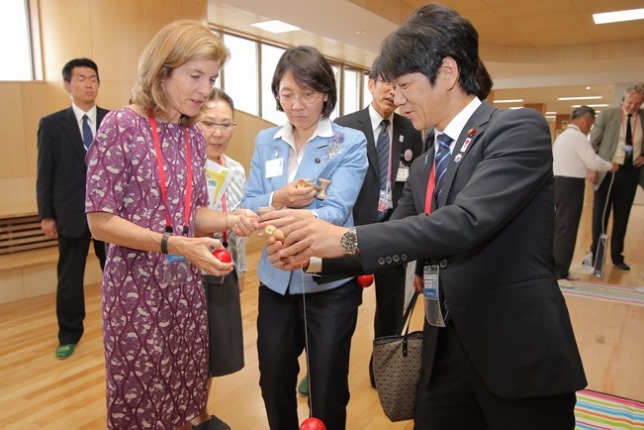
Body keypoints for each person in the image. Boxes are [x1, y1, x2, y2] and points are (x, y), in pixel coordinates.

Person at [265, 4, 587, 430]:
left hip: (514, 347)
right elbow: (394, 236)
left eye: (404, 84)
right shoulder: (425, 164)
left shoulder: (515, 131)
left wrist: (341, 237)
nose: (395, 98)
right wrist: (312, 255)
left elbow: (466, 221)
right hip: (443, 347)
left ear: (448, 74)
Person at [85, 20, 254, 430]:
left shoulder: (192, 136)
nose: (204, 89)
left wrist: (234, 218)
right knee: (142, 396)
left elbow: (190, 214)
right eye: (194, 76)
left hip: (184, 286)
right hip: (135, 291)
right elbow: (99, 221)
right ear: (163, 71)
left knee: (184, 389)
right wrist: (174, 245)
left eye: (211, 78)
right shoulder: (122, 125)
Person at [238, 45, 368, 430]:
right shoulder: (266, 141)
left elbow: (336, 211)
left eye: (308, 94)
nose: (297, 105)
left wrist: (273, 215)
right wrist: (279, 199)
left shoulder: (348, 142)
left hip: (329, 282)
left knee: (327, 388)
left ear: (326, 93)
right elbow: (248, 203)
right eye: (287, 94)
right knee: (274, 377)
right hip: (275, 281)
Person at [333, 56, 423, 389]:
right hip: (350, 230)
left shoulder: (410, 130)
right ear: (370, 84)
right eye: (384, 82)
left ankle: (382, 372)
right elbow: (330, 178)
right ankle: (322, 370)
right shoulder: (343, 127)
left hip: (392, 230)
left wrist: (398, 225)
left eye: (398, 84)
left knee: (389, 309)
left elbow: (412, 182)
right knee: (339, 308)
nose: (391, 91)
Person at [36, 57, 108, 360]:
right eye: (81, 78)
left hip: (110, 214)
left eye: (93, 78)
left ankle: (121, 326)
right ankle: (68, 333)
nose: (88, 84)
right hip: (70, 213)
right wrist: (46, 215)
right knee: (69, 276)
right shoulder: (52, 124)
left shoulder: (113, 119)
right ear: (68, 85)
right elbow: (45, 171)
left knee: (119, 274)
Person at [192, 88, 246, 430]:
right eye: (209, 123)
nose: (217, 132)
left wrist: (239, 270)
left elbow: (236, 227)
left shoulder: (236, 170)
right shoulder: (184, 166)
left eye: (226, 124)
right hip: (185, 263)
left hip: (222, 262)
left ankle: (199, 410)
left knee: (214, 345)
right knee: (188, 344)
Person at [552, 105, 616, 281]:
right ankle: (560, 270)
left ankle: (555, 267)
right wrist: (611, 166)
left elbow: (573, 161)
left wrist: (588, 171)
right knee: (568, 228)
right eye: (591, 123)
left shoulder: (563, 136)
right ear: (585, 119)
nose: (590, 127)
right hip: (571, 186)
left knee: (560, 227)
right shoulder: (578, 137)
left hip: (558, 183)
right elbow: (593, 161)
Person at [589, 82, 644, 271]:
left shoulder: (643, 118)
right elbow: (593, 143)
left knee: (622, 217)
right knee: (600, 216)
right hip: (608, 171)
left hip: (630, 173)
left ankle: (617, 256)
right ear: (624, 98)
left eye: (637, 104)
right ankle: (596, 254)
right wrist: (593, 168)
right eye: (630, 102)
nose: (632, 107)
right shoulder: (608, 115)